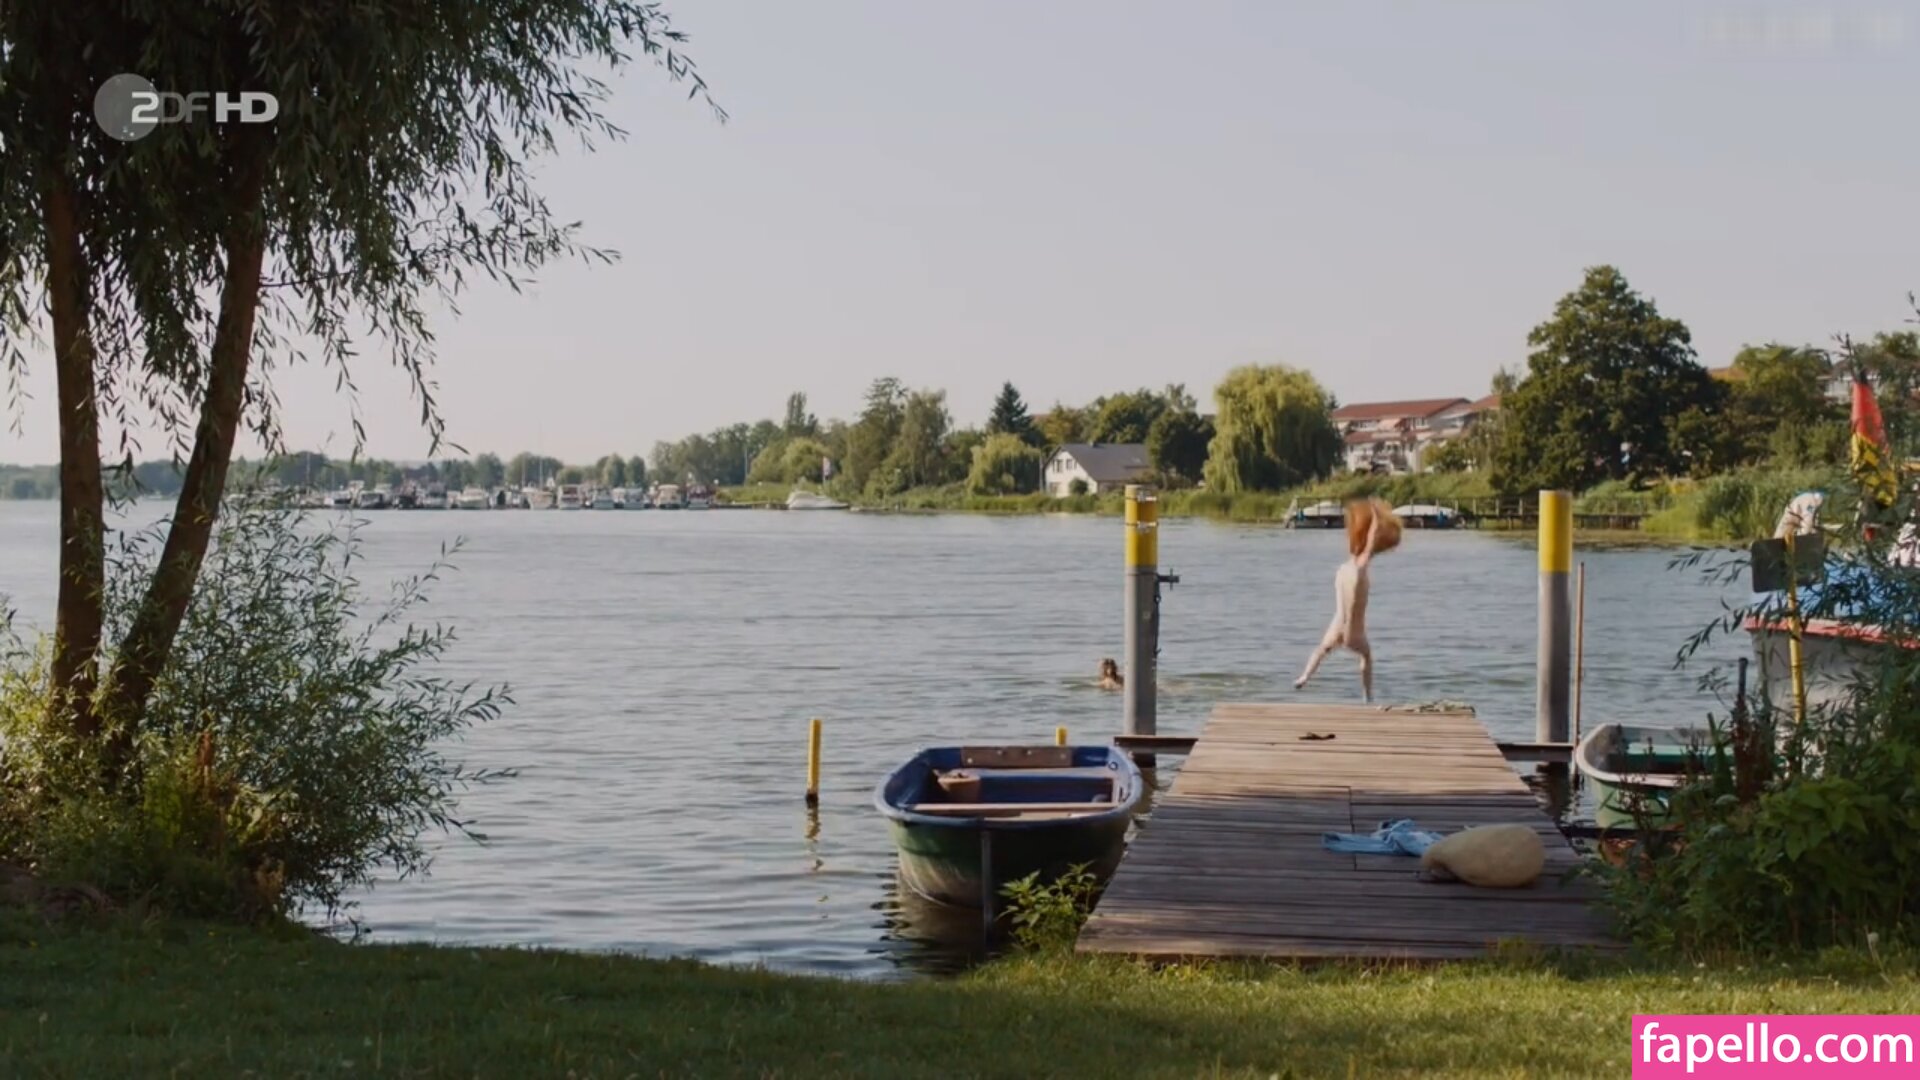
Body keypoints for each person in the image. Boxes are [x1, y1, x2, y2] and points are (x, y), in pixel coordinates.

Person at [1294, 498, 1400, 702]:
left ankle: (1304, 677)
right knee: (1366, 656)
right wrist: (1375, 516)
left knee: (1322, 649)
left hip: (1337, 624)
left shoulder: (1343, 568)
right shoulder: (1360, 568)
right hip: (1353, 629)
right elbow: (1371, 539)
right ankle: (1368, 695)